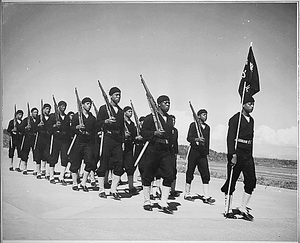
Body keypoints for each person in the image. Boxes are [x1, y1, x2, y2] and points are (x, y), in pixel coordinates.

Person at [221, 96, 256, 221]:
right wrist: (232, 154)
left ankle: (243, 207)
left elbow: (251, 140)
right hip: (237, 152)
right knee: (232, 180)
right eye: (249, 103)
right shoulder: (235, 119)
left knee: (251, 180)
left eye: (253, 104)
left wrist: (250, 155)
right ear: (243, 104)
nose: (252, 106)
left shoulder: (251, 120)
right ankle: (228, 208)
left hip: (247, 154)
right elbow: (230, 138)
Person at [140, 95, 175, 214]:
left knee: (169, 174)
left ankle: (163, 202)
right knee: (148, 174)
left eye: (169, 103)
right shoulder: (151, 118)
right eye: (165, 103)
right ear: (158, 104)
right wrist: (154, 133)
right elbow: (143, 132)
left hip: (165, 149)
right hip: (153, 148)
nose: (168, 105)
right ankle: (147, 201)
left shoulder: (170, 119)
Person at [96, 87, 124, 200]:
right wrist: (105, 121)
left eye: (119, 95)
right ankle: (101, 189)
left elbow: (122, 128)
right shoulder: (103, 109)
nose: (118, 97)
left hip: (117, 139)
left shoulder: (121, 111)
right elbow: (97, 123)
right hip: (107, 137)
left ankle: (114, 190)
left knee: (119, 164)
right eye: (116, 95)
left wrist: (122, 142)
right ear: (111, 96)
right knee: (104, 162)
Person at [184, 109, 215, 204]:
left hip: (202, 154)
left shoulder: (207, 128)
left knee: (205, 173)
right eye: (203, 115)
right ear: (198, 116)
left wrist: (206, 152)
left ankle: (206, 196)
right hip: (194, 151)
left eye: (206, 115)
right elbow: (189, 138)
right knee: (190, 171)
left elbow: (208, 141)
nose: (205, 116)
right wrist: (197, 139)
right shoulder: (193, 125)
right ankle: (187, 193)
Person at [69, 97, 96, 192]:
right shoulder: (77, 116)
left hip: (88, 142)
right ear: (83, 104)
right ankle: (75, 183)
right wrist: (77, 127)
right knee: (76, 162)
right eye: (87, 103)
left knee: (89, 162)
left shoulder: (92, 118)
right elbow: (71, 129)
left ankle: (83, 183)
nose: (89, 106)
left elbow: (95, 130)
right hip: (78, 141)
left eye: (90, 104)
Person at [49, 101, 71, 185]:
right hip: (56, 139)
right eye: (62, 106)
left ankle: (61, 176)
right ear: (58, 107)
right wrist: (54, 126)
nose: (63, 108)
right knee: (54, 157)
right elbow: (48, 127)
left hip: (65, 140)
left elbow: (68, 129)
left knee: (65, 158)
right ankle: (51, 176)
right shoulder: (53, 116)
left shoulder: (66, 117)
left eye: (65, 106)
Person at [123, 106, 142, 194]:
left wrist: (136, 137)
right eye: (129, 111)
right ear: (125, 112)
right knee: (118, 166)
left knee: (130, 167)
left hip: (129, 147)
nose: (130, 113)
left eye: (131, 111)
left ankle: (131, 186)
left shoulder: (132, 124)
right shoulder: (122, 122)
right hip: (121, 145)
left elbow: (134, 135)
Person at [35, 103, 52, 179]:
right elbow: (34, 128)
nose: (48, 110)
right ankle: (38, 172)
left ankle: (46, 172)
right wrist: (38, 125)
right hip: (40, 138)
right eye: (47, 109)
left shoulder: (51, 117)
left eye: (49, 109)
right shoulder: (39, 117)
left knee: (47, 155)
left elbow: (52, 127)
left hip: (48, 138)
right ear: (43, 109)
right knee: (38, 155)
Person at [19, 107, 39, 175]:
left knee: (35, 153)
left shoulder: (38, 120)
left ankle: (35, 170)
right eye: (34, 112)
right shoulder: (26, 120)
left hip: (35, 138)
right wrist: (25, 128)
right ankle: (25, 169)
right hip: (27, 138)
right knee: (25, 153)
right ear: (31, 113)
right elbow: (20, 128)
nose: (36, 114)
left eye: (37, 112)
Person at [169, 114, 180, 198]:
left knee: (173, 171)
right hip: (166, 153)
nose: (173, 122)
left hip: (173, 154)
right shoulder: (167, 130)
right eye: (172, 120)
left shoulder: (175, 131)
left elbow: (176, 142)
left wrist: (176, 153)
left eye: (174, 121)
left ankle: (173, 190)